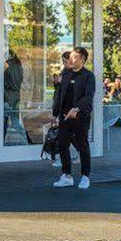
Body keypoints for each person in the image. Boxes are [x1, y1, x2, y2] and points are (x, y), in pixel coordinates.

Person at [50, 47, 96, 190]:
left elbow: (88, 96)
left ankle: (85, 176)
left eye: (74, 57)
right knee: (62, 144)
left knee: (82, 146)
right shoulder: (66, 73)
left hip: (80, 116)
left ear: (82, 59)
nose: (71, 59)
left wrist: (77, 108)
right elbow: (59, 94)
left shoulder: (88, 76)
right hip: (64, 117)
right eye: (70, 56)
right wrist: (54, 113)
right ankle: (67, 176)